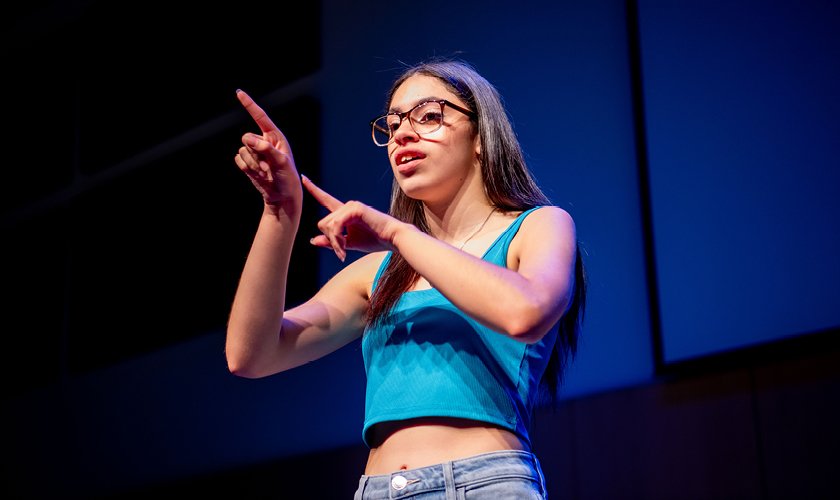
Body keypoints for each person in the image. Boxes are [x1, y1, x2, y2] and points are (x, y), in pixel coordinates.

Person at [226, 60, 585, 499]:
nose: (402, 134)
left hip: (482, 483)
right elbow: (251, 355)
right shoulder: (379, 273)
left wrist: (396, 233)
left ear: (480, 136)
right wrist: (280, 212)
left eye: (429, 116)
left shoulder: (539, 226)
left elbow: (526, 311)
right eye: (392, 124)